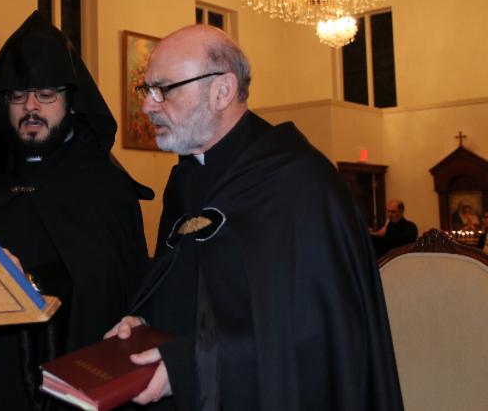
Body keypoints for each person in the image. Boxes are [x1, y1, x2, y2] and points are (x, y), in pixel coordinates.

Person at [105, 24, 403, 410]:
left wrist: (196, 366)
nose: (148, 105)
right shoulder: (186, 179)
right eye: (146, 90)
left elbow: (316, 331)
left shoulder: (301, 183)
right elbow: (187, 287)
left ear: (222, 91)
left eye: (164, 89)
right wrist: (145, 322)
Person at [0, 10, 151, 411]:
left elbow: (117, 291)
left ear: (71, 102)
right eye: (18, 96)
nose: (31, 107)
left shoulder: (107, 189)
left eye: (46, 95)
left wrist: (36, 281)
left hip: (67, 379)